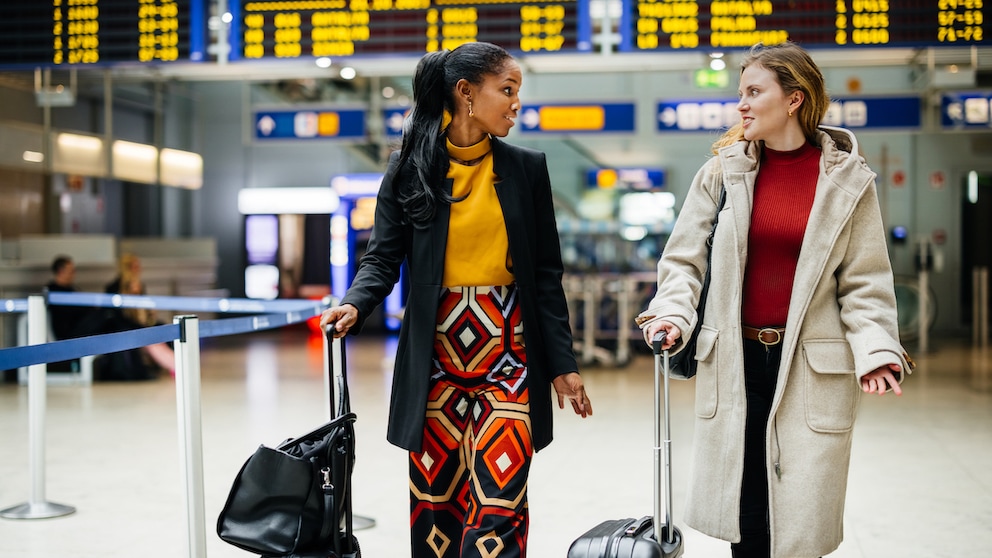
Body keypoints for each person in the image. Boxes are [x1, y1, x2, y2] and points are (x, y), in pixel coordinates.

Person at [637, 41, 914, 558]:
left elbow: (865, 281)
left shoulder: (848, 183)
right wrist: (673, 313)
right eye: (740, 93)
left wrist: (877, 350)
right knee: (745, 515)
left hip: (810, 367)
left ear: (794, 99)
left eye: (754, 92)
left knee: (797, 521)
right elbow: (683, 261)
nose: (740, 104)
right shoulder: (721, 173)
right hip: (735, 360)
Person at [319, 41, 592, 557]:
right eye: (507, 91)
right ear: (466, 93)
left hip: (510, 355)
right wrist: (356, 302)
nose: (516, 103)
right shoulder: (407, 170)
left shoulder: (527, 169)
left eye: (518, 93)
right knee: (435, 503)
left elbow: (545, 276)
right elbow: (382, 258)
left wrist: (562, 363)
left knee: (500, 500)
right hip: (434, 360)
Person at [46, 254, 174, 379]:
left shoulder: (72, 290)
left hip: (106, 327)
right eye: (71, 270)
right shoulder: (54, 293)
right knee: (128, 327)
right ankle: (173, 365)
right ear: (61, 271)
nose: (74, 273)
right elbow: (67, 323)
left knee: (156, 329)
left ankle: (171, 364)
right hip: (77, 333)